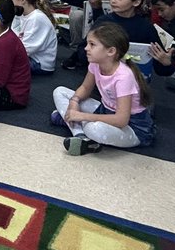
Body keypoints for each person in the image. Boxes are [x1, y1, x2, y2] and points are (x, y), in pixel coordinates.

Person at [52, 22, 156, 155]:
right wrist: (74, 102)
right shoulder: (95, 64)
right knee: (60, 91)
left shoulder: (124, 76)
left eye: (92, 44)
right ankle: (80, 135)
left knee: (94, 129)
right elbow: (85, 87)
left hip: (133, 127)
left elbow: (121, 120)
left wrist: (81, 115)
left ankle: (78, 126)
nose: (86, 48)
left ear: (111, 51)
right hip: (105, 111)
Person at [62, 0, 156, 68]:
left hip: (136, 75)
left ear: (136, 2)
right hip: (104, 73)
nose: (113, 1)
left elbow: (160, 66)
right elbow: (83, 50)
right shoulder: (104, 21)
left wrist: (165, 61)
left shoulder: (146, 27)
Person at [7, 0, 58, 75]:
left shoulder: (36, 18)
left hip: (39, 63)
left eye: (11, 1)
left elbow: (26, 49)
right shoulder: (21, 14)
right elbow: (14, 36)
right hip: (29, 55)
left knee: (1, 63)